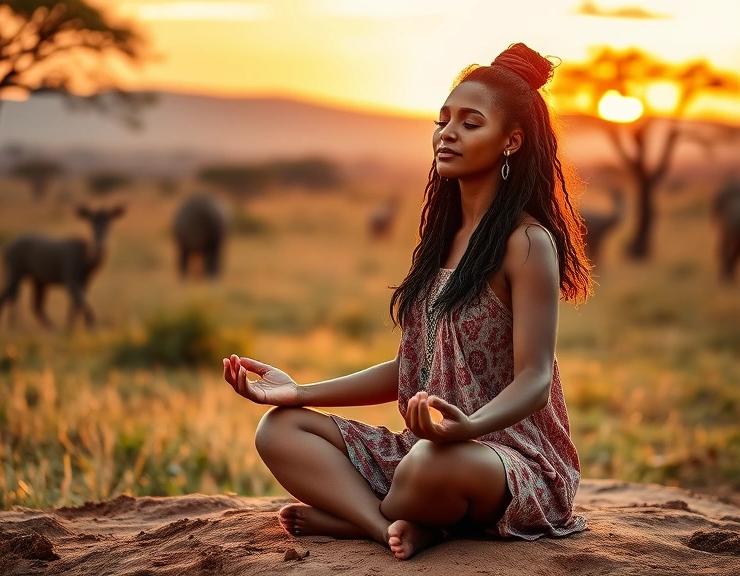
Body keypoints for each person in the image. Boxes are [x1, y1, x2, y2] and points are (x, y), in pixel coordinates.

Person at [221, 42, 594, 561]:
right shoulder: (442, 240)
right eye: (443, 120)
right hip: (428, 445)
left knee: (427, 465)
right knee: (279, 429)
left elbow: (533, 379)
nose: (448, 133)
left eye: (470, 122)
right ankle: (385, 527)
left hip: (507, 457)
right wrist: (297, 391)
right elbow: (412, 365)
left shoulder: (526, 243)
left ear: (511, 141)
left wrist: (468, 427)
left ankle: (361, 516)